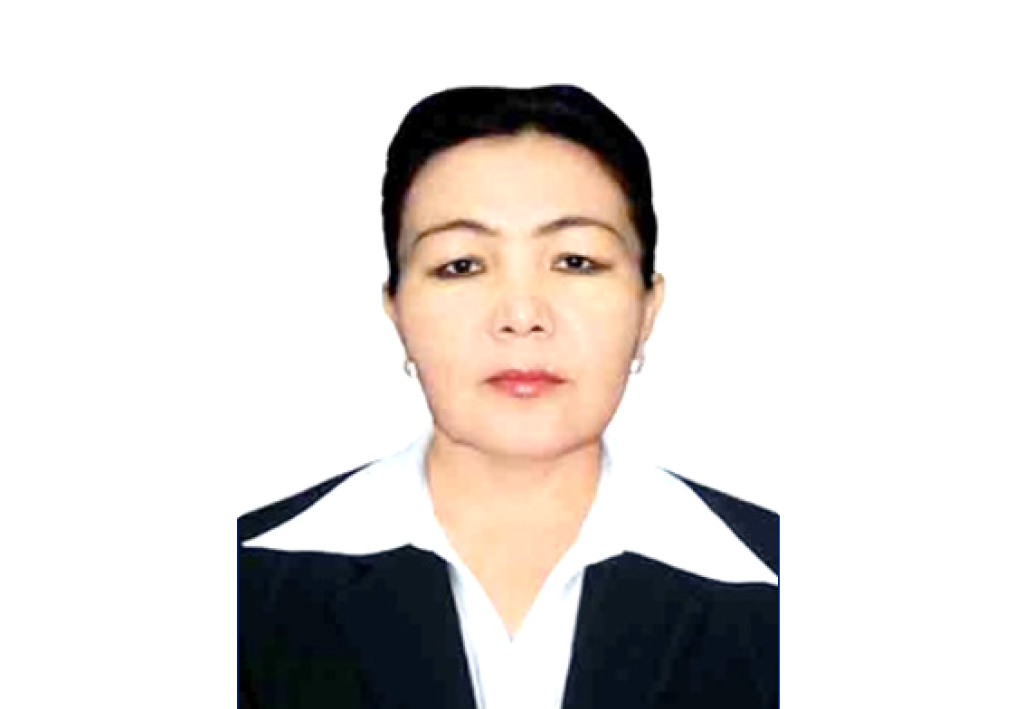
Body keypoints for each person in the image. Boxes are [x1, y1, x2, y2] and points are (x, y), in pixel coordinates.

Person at [237, 84, 779, 709]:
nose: (522, 315)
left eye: (576, 261)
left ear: (648, 308)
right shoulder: (238, 589)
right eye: (461, 265)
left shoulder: (789, 586)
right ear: (396, 310)